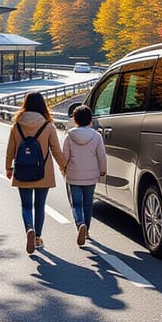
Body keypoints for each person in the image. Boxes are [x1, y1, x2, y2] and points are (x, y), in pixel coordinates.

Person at [5, 91, 66, 254]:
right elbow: (56, 151)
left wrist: (8, 167)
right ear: (42, 106)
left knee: (26, 206)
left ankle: (29, 229)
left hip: (22, 171)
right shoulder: (48, 126)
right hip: (43, 172)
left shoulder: (16, 125)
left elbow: (10, 149)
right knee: (40, 206)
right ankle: (37, 237)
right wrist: (64, 166)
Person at [60, 105, 107, 246]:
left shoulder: (69, 136)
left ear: (75, 120)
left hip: (74, 175)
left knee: (76, 204)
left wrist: (63, 169)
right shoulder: (97, 136)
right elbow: (102, 156)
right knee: (88, 204)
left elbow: (65, 157)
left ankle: (80, 224)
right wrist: (102, 170)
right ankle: (86, 230)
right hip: (91, 176)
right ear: (90, 120)